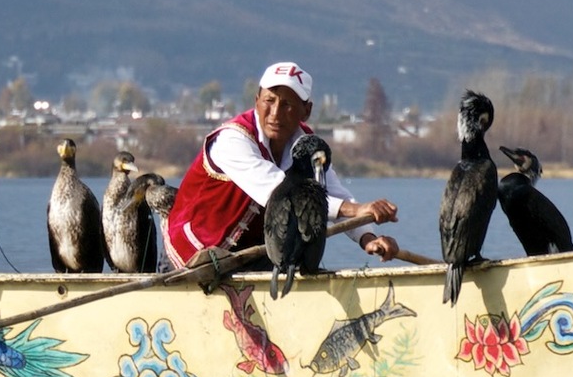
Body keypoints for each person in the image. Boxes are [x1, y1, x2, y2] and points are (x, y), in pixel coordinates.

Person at [162, 61, 400, 271]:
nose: (275, 113)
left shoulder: (306, 146)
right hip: (193, 256)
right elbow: (281, 194)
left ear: (306, 111)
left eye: (287, 104)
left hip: (248, 258)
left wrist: (368, 238)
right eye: (269, 101)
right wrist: (357, 210)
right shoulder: (232, 140)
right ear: (256, 102)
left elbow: (333, 193)